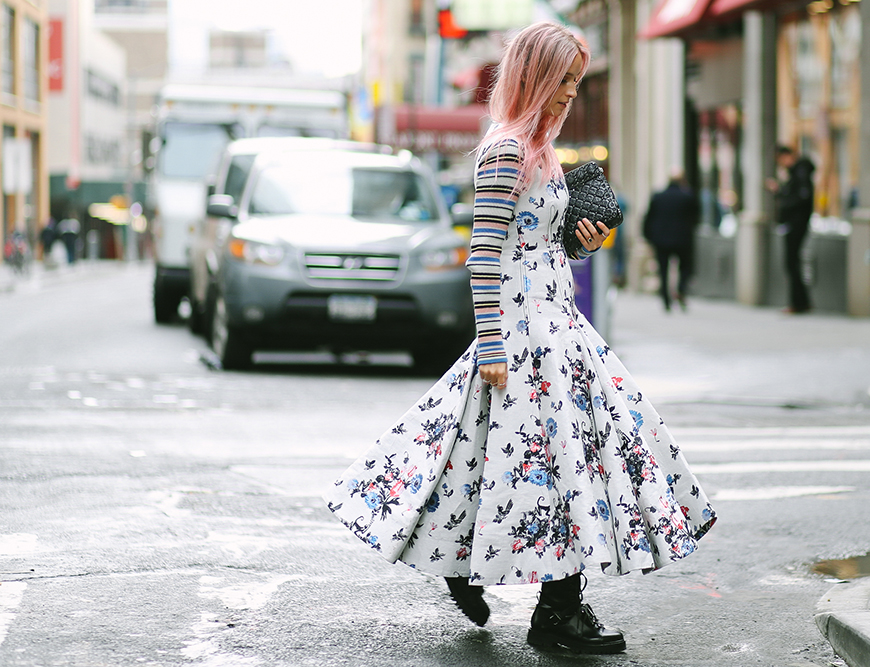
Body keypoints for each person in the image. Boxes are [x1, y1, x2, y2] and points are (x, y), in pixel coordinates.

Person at [323, 22, 716, 655]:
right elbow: (484, 252)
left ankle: (518, 587)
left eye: (576, 84)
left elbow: (535, 245)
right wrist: (493, 342)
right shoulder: (506, 149)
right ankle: (555, 607)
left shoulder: (541, 150)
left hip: (556, 324)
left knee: (507, 453)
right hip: (523, 331)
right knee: (552, 460)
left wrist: (578, 242)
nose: (569, 95)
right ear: (534, 78)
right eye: (562, 83)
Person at [767, 145, 815, 314]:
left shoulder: (799, 172)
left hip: (796, 223)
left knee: (791, 262)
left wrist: (781, 192)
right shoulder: (798, 173)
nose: (781, 164)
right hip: (796, 222)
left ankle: (799, 303)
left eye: (780, 160)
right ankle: (801, 302)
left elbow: (801, 197)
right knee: (792, 262)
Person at [643, 170, 699, 311]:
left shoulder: (659, 196)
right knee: (685, 267)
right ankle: (680, 290)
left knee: (663, 269)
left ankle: (666, 299)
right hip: (682, 239)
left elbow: (649, 217)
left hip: (661, 240)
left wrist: (648, 236)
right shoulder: (688, 196)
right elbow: (696, 218)